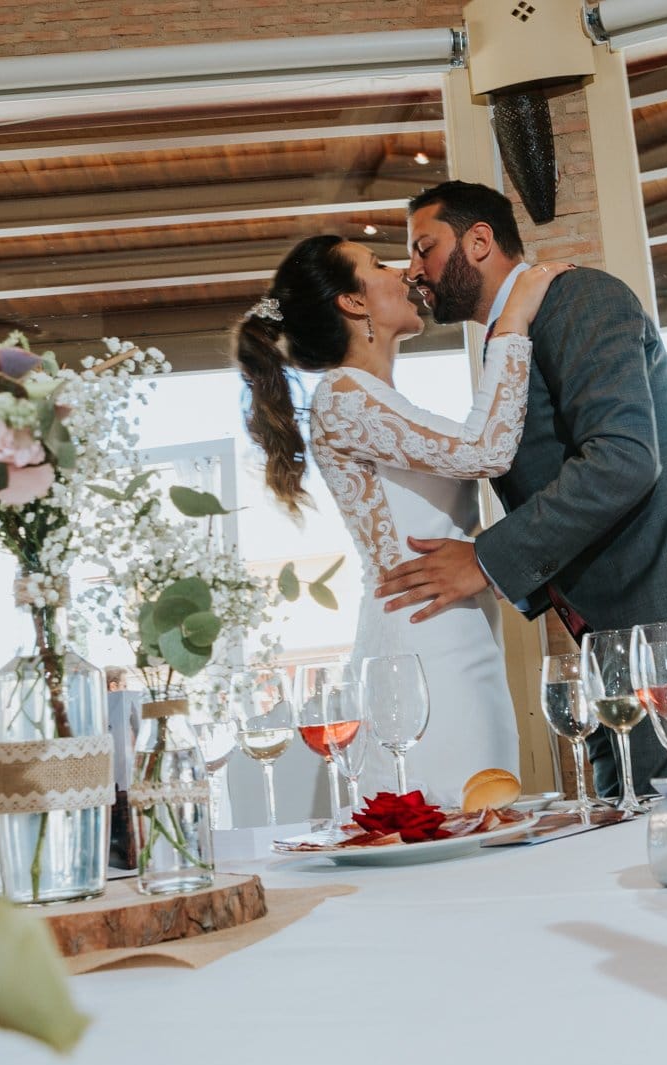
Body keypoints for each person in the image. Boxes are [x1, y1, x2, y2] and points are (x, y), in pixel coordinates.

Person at [375, 180, 667, 794]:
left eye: (424, 248)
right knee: (635, 818)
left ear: (479, 241)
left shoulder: (578, 298)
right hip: (617, 625)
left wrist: (486, 559)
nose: (414, 271)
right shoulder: (515, 334)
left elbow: (622, 459)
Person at [232, 233, 573, 800]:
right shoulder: (343, 396)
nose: (403, 274)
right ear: (354, 301)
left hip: (455, 630)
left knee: (480, 815)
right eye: (377, 264)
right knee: (448, 822)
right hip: (420, 647)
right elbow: (483, 451)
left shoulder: (373, 396)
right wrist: (512, 322)